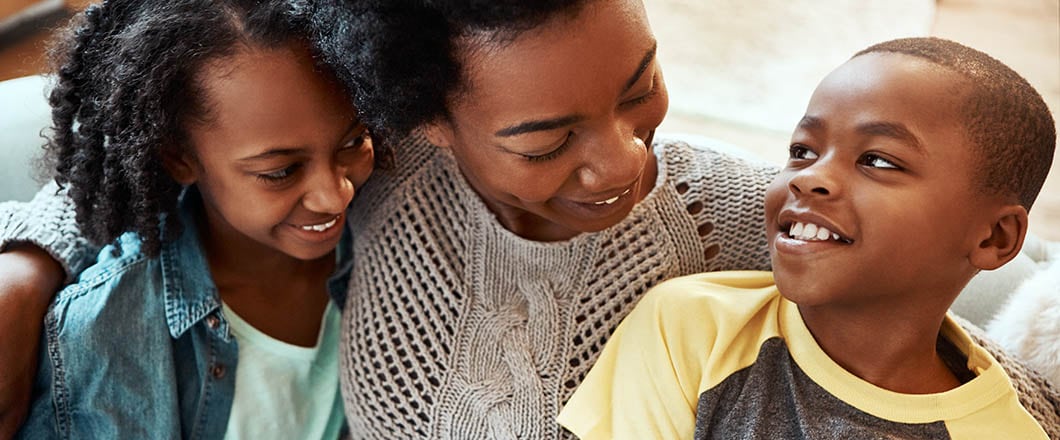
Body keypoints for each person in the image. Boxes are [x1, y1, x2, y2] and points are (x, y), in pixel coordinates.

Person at [0, 1, 1056, 438]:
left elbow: (923, 327)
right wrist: (26, 263)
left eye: (639, 85)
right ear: (425, 121)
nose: (623, 157)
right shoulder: (373, 173)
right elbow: (176, 137)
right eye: (545, 140)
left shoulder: (728, 215)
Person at [558, 37, 1055, 439]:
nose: (807, 177)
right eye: (802, 150)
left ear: (993, 237)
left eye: (877, 160)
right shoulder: (694, 328)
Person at [11, 0, 375, 438]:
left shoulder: (386, 228)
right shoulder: (107, 332)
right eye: (279, 172)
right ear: (179, 159)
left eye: (354, 141)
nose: (336, 195)